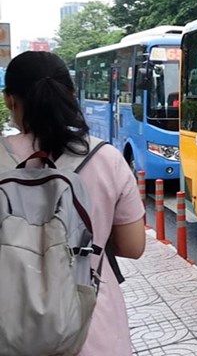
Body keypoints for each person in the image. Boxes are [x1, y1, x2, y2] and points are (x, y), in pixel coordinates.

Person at [2, 51, 145, 356]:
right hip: (92, 326)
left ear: (9, 101)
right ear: (70, 94)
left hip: (10, 325)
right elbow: (133, 246)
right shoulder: (106, 157)